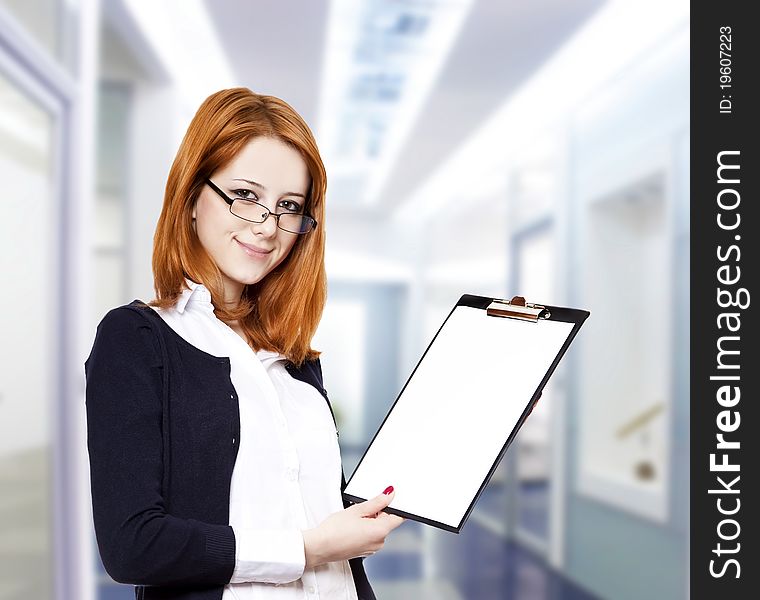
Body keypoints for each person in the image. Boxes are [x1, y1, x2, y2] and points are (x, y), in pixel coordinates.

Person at [84, 87, 404, 600]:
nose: (268, 226)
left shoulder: (293, 357)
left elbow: (320, 506)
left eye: (289, 206)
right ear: (191, 196)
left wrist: (472, 432)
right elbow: (133, 545)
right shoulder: (138, 339)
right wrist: (305, 550)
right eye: (246, 196)